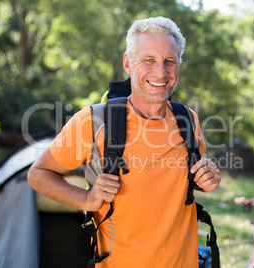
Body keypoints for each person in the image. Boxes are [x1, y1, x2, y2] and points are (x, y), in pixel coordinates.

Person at [27, 16, 221, 268]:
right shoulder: (93, 121)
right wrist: (86, 199)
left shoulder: (187, 118)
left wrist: (208, 179)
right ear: (128, 64)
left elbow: (187, 183)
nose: (160, 72)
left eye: (169, 61)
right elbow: (38, 173)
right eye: (149, 60)